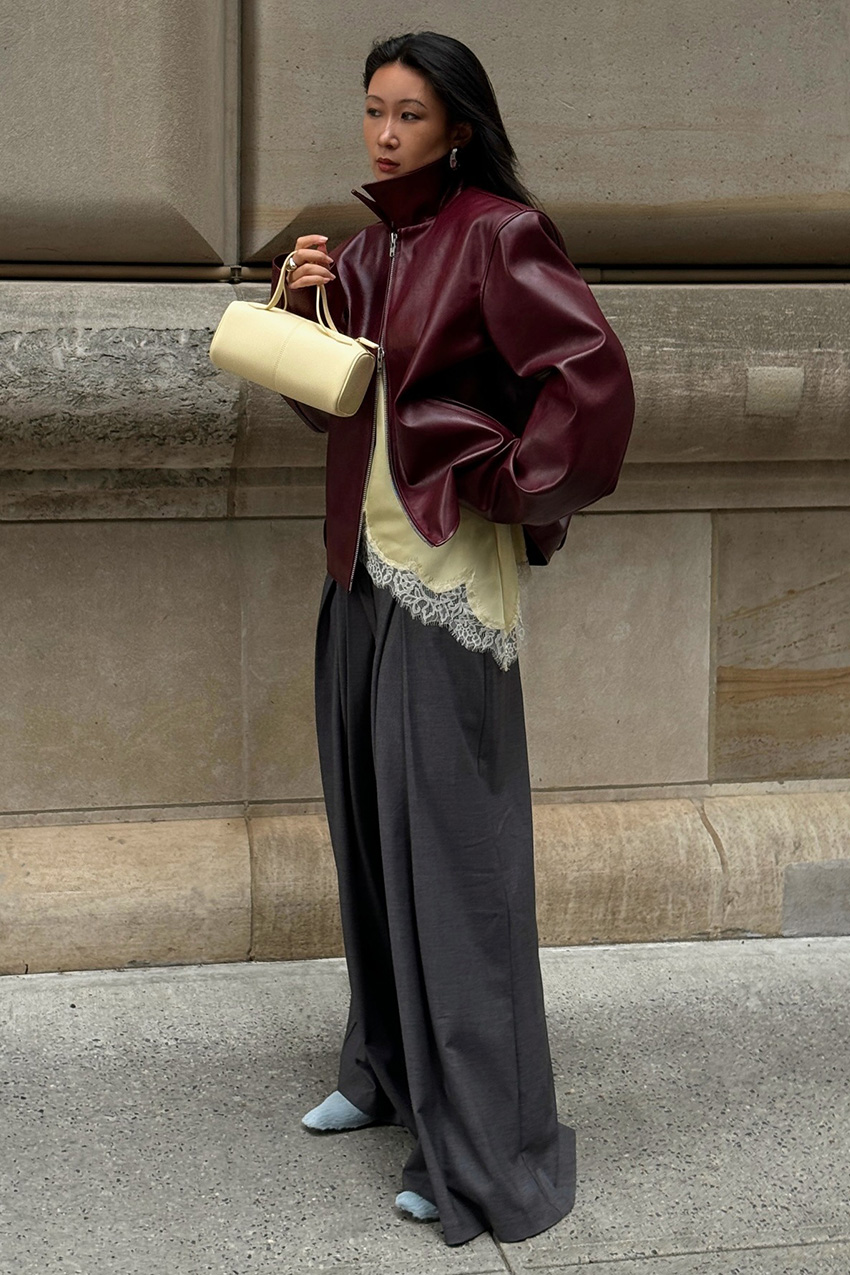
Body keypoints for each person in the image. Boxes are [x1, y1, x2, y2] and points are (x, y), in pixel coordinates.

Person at [269, 31, 635, 1248]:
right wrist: (295, 309)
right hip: (356, 574)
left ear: (457, 126)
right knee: (373, 845)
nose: (382, 134)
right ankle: (383, 1069)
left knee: (454, 867)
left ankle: (484, 1143)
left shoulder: (496, 234)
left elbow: (588, 382)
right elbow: (338, 395)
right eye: (372, 110)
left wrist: (502, 484)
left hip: (439, 575)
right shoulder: (369, 249)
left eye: (408, 114)